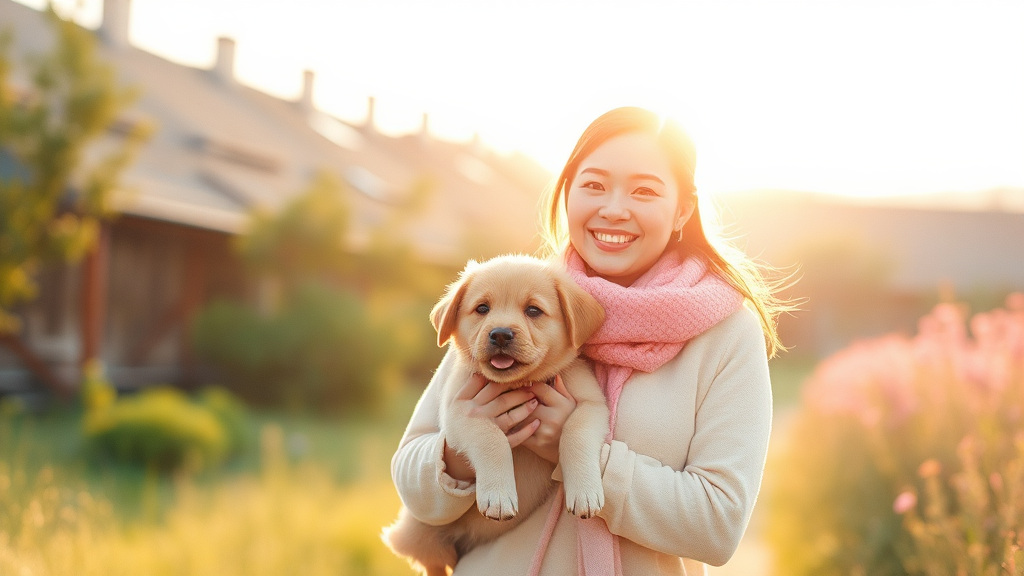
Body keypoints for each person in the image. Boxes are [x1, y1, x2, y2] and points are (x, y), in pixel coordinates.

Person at [390, 107, 787, 575]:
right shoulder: (515, 296)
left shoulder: (725, 335)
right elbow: (410, 474)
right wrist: (463, 456)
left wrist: (577, 454)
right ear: (567, 194)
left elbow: (718, 526)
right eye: (594, 184)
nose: (614, 208)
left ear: (683, 208)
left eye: (644, 190)